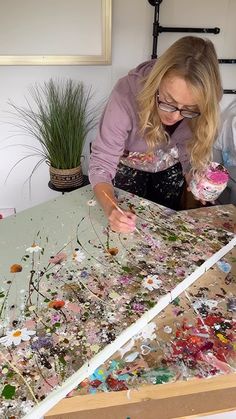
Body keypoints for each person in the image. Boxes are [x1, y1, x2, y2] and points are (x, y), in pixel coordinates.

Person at [89, 36, 222, 233]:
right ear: (156, 82)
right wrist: (112, 209)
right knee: (125, 234)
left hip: (169, 172)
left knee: (162, 232)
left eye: (189, 109)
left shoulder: (204, 105)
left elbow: (188, 150)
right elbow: (102, 163)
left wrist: (196, 179)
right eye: (168, 101)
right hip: (127, 170)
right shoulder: (126, 92)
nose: (175, 116)